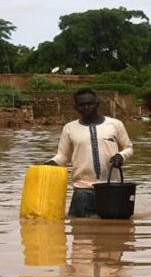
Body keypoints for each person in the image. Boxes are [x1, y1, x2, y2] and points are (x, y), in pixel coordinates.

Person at [45, 88, 133, 218]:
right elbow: (63, 155)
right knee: (80, 230)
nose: (86, 107)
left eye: (90, 103)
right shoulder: (69, 128)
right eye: (81, 105)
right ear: (76, 107)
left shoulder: (115, 124)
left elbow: (128, 148)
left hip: (111, 188)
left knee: (113, 232)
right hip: (82, 188)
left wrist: (121, 156)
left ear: (97, 104)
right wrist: (51, 163)